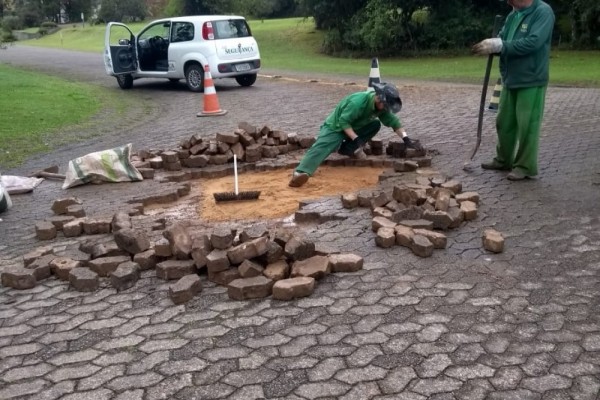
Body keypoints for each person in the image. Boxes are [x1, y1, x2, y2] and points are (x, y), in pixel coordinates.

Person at [472, 0, 555, 181]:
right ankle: (503, 159)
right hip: (510, 78)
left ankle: (525, 166)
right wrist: (494, 44)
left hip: (531, 79)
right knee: (504, 122)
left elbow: (533, 43)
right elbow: (502, 39)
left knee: (527, 125)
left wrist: (502, 46)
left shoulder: (542, 12)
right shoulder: (513, 15)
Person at [288, 82, 422, 187]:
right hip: (335, 127)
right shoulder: (357, 103)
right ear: (378, 98)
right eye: (385, 105)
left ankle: (347, 149)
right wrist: (356, 139)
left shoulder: (381, 107)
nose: (386, 109)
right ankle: (300, 173)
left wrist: (406, 138)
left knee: (375, 125)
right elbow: (343, 122)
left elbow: (394, 122)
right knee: (322, 147)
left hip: (356, 127)